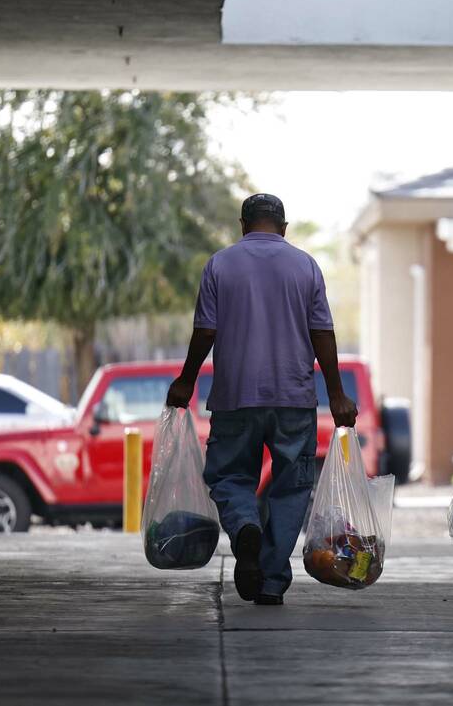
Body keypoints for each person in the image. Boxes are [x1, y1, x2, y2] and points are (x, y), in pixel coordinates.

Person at [166, 193, 357, 606]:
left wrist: (186, 380)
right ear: (283, 228)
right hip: (293, 398)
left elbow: (205, 331)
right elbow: (322, 332)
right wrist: (337, 393)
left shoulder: (220, 264)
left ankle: (245, 528)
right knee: (290, 487)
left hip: (235, 396)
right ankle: (271, 580)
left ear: (243, 225)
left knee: (230, 476)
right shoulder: (305, 266)